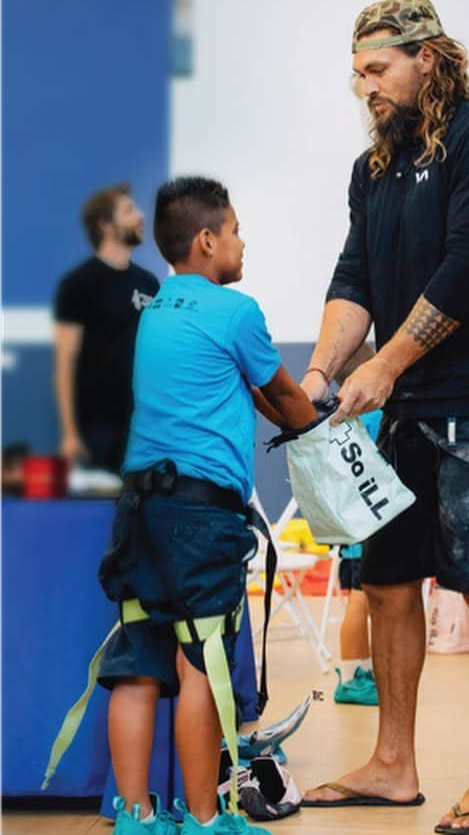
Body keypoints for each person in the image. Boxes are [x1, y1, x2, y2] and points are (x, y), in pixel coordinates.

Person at [300, 0, 469, 833]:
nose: (363, 86)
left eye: (378, 69)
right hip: (403, 413)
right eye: (357, 73)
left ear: (427, 59)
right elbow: (354, 277)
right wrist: (323, 370)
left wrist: (386, 364)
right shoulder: (374, 171)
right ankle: (393, 763)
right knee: (391, 581)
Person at [97, 177, 317, 835]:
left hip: (138, 508)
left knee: (137, 660)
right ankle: (203, 819)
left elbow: (230, 386)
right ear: (207, 239)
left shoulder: (155, 309)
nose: (243, 243)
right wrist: (323, 422)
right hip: (200, 515)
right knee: (202, 662)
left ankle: (135, 817)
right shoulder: (235, 310)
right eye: (238, 230)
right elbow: (286, 395)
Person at [53, 184, 160, 473]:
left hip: (143, 428)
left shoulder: (150, 284)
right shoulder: (78, 284)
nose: (140, 216)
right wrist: (71, 434)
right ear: (105, 225)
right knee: (101, 514)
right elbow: (65, 362)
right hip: (97, 431)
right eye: (129, 210)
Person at [332, 343, 381, 707]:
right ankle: (350, 678)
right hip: (367, 528)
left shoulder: (339, 417)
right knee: (361, 602)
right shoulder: (375, 416)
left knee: (360, 599)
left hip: (351, 526)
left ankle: (360, 670)